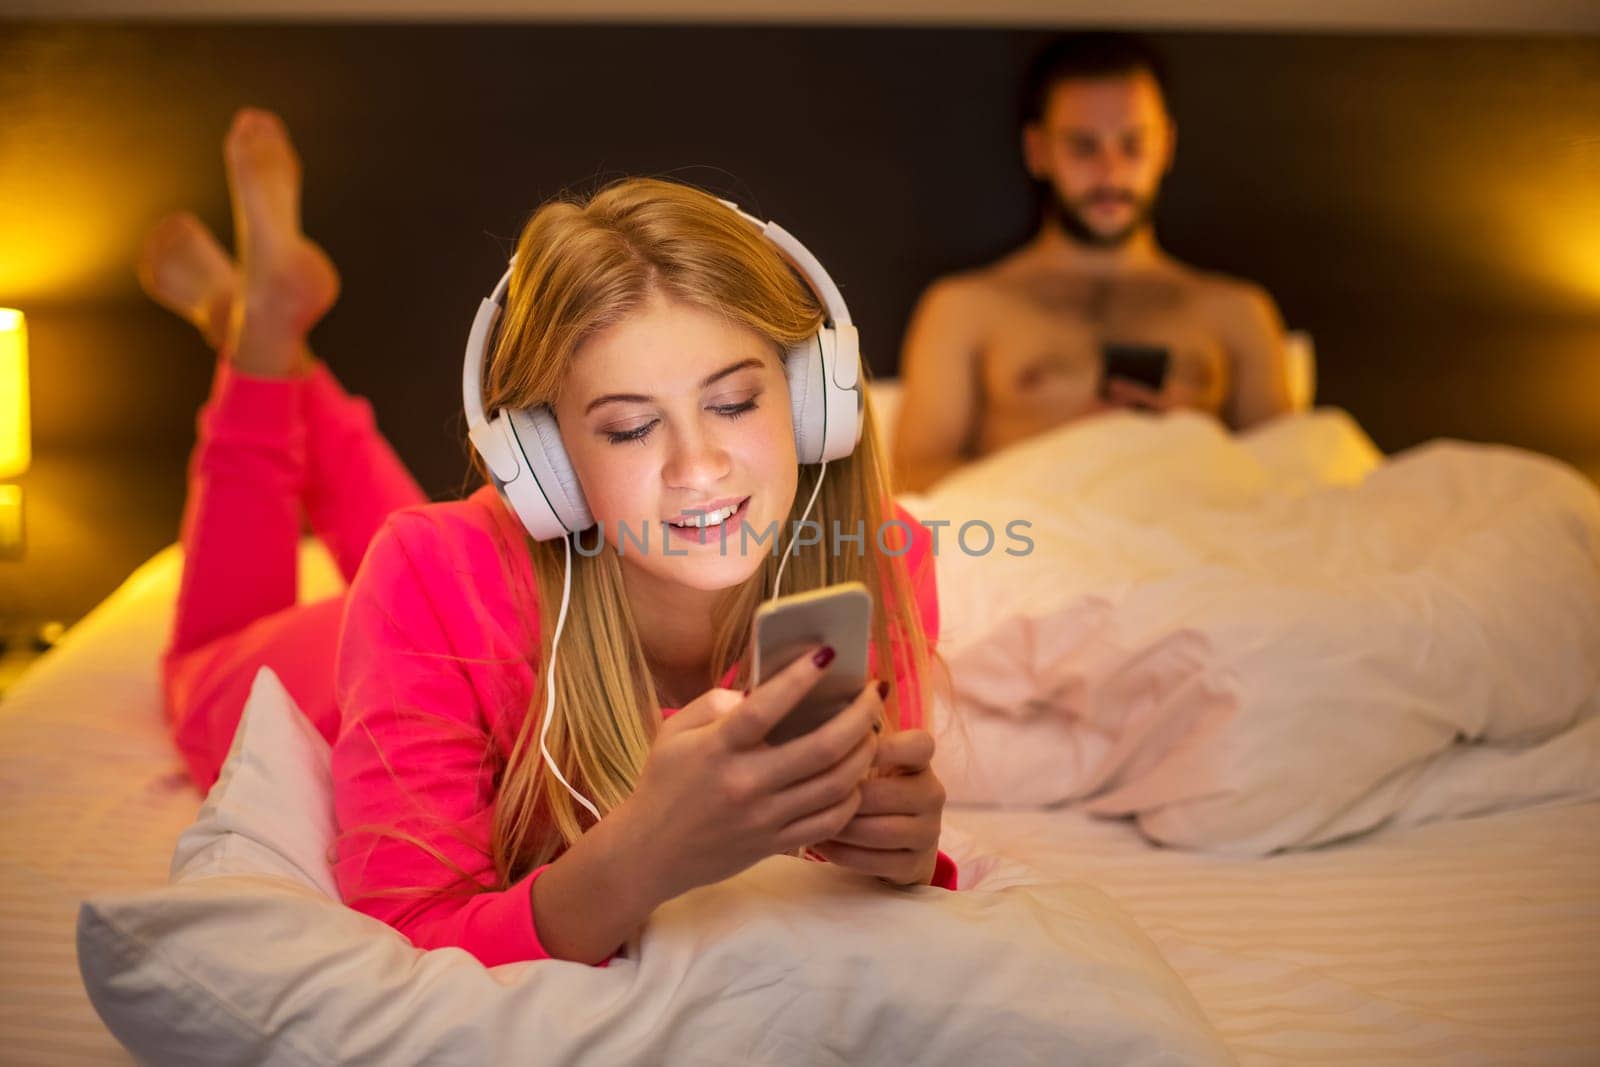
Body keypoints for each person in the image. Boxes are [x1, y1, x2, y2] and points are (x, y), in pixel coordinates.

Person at [142, 108, 955, 970]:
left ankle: (254, 319)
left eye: (732, 402)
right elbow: (412, 937)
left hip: (450, 592)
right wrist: (646, 851)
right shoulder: (426, 578)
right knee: (203, 659)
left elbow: (848, 860)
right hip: (343, 651)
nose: (699, 466)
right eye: (631, 427)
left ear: (811, 400)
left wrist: (903, 856)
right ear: (546, 468)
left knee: (427, 545)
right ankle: (261, 337)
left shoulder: (883, 554)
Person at [894, 32, 1295, 492]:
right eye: (1084, 147)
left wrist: (1192, 440)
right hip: (1039, 546)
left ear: (1166, 146)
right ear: (1038, 151)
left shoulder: (1237, 311)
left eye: (1132, 144)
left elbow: (1291, 480)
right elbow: (911, 482)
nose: (1110, 171)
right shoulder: (964, 308)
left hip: (1202, 536)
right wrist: (1061, 452)